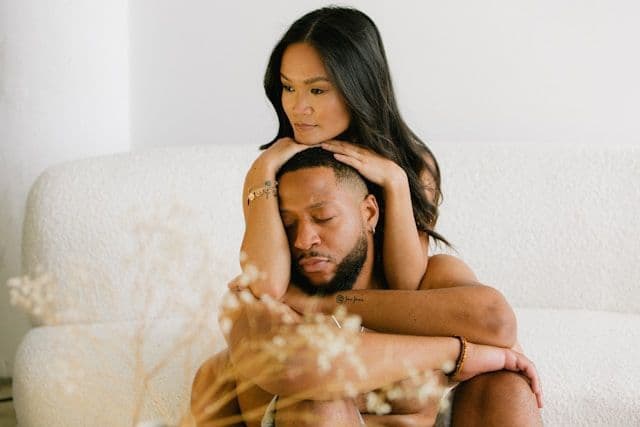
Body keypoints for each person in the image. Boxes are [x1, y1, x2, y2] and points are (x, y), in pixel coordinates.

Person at [191, 148, 543, 426]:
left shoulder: (425, 283)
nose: (303, 239)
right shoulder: (258, 299)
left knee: (506, 383)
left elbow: (496, 321)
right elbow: (308, 365)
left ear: (370, 212)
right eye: (287, 224)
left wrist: (329, 303)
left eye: (323, 218)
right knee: (318, 401)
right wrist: (458, 352)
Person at [244, 6, 446, 300]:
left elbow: (407, 286)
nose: (297, 108)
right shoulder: (272, 168)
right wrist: (262, 170)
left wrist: (395, 181)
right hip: (306, 320)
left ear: (359, 89)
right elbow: (266, 286)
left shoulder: (413, 164)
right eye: (288, 87)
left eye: (317, 91)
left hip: (385, 317)